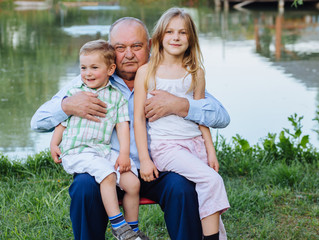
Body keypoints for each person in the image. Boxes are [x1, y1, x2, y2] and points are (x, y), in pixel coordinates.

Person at [31, 17, 230, 240]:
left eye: (136, 46)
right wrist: (67, 105)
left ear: (151, 45)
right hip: (110, 169)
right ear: (109, 50)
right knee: (84, 187)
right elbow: (38, 121)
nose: (129, 54)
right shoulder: (92, 79)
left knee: (181, 187)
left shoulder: (166, 75)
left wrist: (181, 105)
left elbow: (221, 116)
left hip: (158, 167)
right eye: (120, 48)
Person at [134, 8, 230, 240]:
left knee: (205, 193)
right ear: (159, 37)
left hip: (195, 144)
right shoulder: (146, 72)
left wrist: (210, 149)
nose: (176, 37)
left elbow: (201, 116)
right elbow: (138, 119)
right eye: (170, 32)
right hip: (167, 147)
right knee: (212, 181)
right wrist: (145, 159)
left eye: (182, 33)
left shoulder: (195, 72)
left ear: (191, 39)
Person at [49, 39, 147, 240]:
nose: (87, 73)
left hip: (101, 150)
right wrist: (53, 143)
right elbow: (62, 122)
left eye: (94, 67)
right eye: (83, 67)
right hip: (78, 151)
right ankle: (119, 226)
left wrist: (124, 155)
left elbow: (122, 127)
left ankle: (133, 229)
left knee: (132, 183)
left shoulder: (116, 97)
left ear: (111, 69)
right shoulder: (75, 93)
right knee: (108, 175)